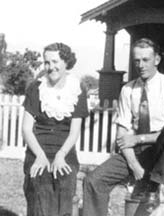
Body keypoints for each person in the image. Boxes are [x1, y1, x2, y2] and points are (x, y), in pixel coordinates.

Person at [82, 38, 164, 216]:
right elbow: (122, 133)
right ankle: (149, 179)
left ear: (157, 59)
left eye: (146, 60)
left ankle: (155, 181)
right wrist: (134, 166)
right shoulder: (128, 89)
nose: (141, 65)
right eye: (137, 60)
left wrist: (139, 138)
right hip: (137, 153)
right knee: (93, 181)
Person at [22, 42, 88, 216]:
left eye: (55, 62)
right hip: (37, 152)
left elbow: (74, 132)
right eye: (47, 62)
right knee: (40, 185)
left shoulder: (77, 89)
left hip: (65, 152)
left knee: (65, 183)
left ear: (66, 62)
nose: (51, 67)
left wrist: (61, 155)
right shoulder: (36, 88)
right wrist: (40, 156)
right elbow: (27, 129)